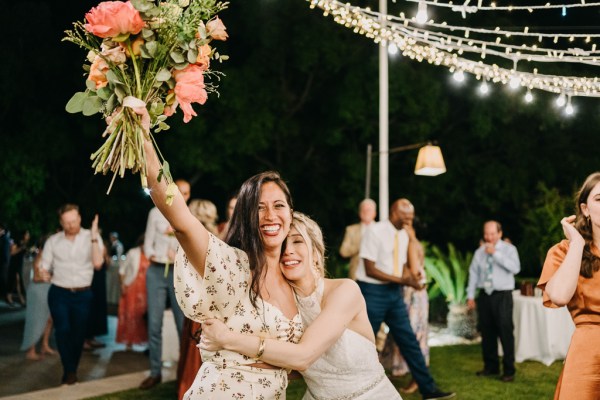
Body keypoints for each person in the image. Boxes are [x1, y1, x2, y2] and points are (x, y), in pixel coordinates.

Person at [143, 137, 303, 399]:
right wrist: (145, 139)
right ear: (246, 216)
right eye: (259, 208)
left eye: (278, 206)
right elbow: (181, 221)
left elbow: (304, 361)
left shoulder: (296, 279)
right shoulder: (230, 265)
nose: (270, 216)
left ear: (291, 212)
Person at [200, 212, 403, 399]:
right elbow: (288, 365)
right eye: (281, 246)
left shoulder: (345, 291)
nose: (288, 251)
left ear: (315, 252)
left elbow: (303, 357)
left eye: (298, 241)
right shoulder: (278, 308)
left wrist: (227, 338)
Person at [358, 198, 455, 399]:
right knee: (364, 340)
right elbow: (370, 269)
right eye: (406, 217)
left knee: (409, 340)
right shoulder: (374, 231)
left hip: (393, 293)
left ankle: (428, 390)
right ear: (394, 213)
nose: (410, 221)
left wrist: (412, 277)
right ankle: (353, 388)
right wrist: (404, 281)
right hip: (372, 291)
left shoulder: (402, 235)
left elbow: (399, 265)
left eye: (411, 217)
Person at [538, 172, 600, 399]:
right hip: (587, 356)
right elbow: (560, 296)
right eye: (599, 199)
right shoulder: (563, 251)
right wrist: (577, 244)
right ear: (585, 209)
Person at [39, 204, 104, 385]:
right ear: (61, 222)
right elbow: (45, 265)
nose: (71, 225)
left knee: (78, 334)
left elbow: (98, 263)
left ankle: (71, 369)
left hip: (83, 294)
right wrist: (44, 272)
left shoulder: (91, 237)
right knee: (63, 330)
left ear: (79, 218)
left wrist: (93, 237)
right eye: (67, 222)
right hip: (59, 292)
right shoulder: (53, 241)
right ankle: (69, 370)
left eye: (74, 221)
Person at [139, 179, 190, 390]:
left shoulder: (188, 214)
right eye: (181, 191)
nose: (184, 196)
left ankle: (185, 373)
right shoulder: (155, 213)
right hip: (157, 271)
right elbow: (147, 245)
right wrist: (159, 254)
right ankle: (155, 372)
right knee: (154, 323)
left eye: (187, 193)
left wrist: (177, 253)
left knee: (182, 324)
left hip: (178, 273)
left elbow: (191, 248)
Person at [466, 220, 520, 382]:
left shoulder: (509, 250)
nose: (489, 237)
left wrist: (495, 254)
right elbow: (473, 274)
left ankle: (509, 370)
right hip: (485, 295)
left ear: (500, 233)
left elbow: (515, 268)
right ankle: (491, 367)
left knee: (505, 331)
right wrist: (470, 295)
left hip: (502, 295)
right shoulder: (479, 252)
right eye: (486, 234)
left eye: (492, 234)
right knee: (487, 331)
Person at [177, 198, 219, 399]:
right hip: (213, 303)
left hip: (197, 304)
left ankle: (189, 387)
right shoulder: (218, 239)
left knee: (196, 349)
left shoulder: (189, 240)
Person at [381, 240, 429, 394]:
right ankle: (401, 369)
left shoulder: (412, 251)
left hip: (414, 300)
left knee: (414, 337)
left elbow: (415, 276)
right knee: (399, 337)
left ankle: (417, 379)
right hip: (403, 297)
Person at [20, 240, 56, 360]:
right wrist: (52, 278)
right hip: (38, 290)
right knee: (36, 319)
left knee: (49, 319)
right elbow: (35, 278)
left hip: (48, 289)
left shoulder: (51, 256)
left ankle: (45, 345)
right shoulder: (41, 256)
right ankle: (31, 350)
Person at [116, 234, 149, 350]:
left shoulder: (153, 254)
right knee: (130, 314)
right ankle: (129, 341)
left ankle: (146, 341)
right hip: (132, 287)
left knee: (144, 316)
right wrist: (122, 284)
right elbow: (122, 269)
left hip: (147, 290)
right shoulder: (133, 252)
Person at [339, 198, 376, 280]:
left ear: (374, 213)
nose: (366, 212)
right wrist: (360, 244)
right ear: (360, 213)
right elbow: (343, 252)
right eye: (363, 210)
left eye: (368, 210)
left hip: (376, 276)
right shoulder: (351, 229)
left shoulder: (380, 230)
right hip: (356, 276)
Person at [7, 230, 29, 306]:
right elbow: (12, 252)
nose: (28, 236)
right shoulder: (17, 242)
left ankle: (19, 298)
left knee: (18, 281)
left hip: (19, 265)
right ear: (23, 235)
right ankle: (14, 297)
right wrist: (21, 248)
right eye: (27, 234)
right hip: (14, 264)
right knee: (15, 280)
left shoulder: (24, 244)